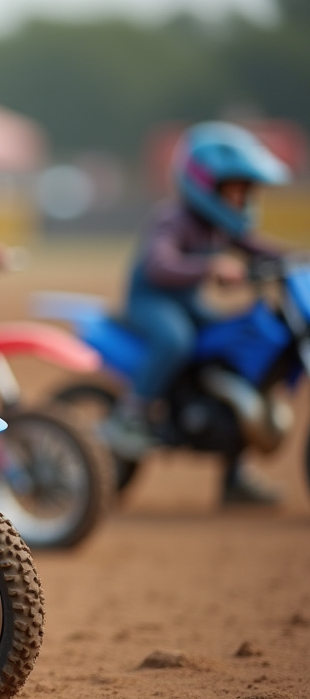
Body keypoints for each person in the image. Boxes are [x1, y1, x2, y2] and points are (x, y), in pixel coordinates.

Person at [104, 121, 290, 505]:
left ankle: (234, 478)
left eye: (246, 190)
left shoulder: (220, 226)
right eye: (234, 189)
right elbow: (159, 264)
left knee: (236, 351)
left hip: (188, 304)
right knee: (176, 340)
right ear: (206, 184)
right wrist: (209, 267)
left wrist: (296, 260)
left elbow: (257, 248)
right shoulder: (173, 219)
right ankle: (133, 413)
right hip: (152, 302)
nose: (241, 199)